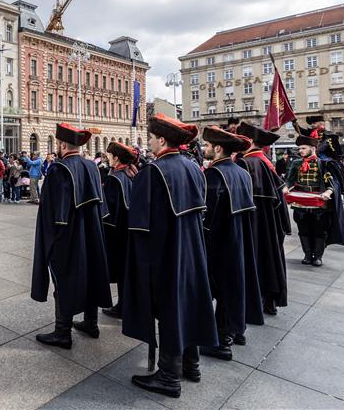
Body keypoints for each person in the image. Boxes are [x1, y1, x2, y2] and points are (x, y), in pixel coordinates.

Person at [122, 114, 217, 398]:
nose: (148, 142)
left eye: (150, 138)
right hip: (191, 250)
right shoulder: (194, 168)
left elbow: (139, 224)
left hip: (164, 253)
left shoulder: (154, 171)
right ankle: (191, 363)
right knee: (188, 303)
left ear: (162, 140)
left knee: (169, 309)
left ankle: (168, 375)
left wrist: (139, 266)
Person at [31, 123, 111, 350]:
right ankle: (91, 323)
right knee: (91, 275)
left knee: (64, 280)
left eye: (58, 143)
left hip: (68, 237)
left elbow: (53, 212)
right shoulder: (92, 167)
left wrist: (49, 244)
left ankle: (62, 332)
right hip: (92, 232)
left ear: (63, 144)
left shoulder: (59, 169)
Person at [200, 126, 263, 361]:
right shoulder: (241, 172)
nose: (205, 149)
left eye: (207, 146)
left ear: (218, 148)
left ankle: (220, 340)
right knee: (233, 286)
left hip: (219, 242)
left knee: (219, 288)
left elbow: (208, 216)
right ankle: (234, 331)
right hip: (240, 239)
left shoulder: (214, 175)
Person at [235, 122, 290, 316]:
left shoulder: (245, 163)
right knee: (270, 257)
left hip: (254, 221)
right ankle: (270, 300)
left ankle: (256, 303)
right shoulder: (265, 160)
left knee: (256, 259)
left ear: (249, 141)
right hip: (270, 221)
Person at [283, 134, 344, 267]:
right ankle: (307, 254)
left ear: (313, 148)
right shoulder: (296, 163)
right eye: (299, 148)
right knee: (303, 229)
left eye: (303, 148)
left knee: (320, 230)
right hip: (300, 201)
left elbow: (333, 182)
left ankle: (317, 256)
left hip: (319, 203)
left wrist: (328, 192)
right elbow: (289, 179)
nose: (300, 151)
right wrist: (286, 187)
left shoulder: (324, 163)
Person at [101, 141, 138, 320]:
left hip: (118, 234)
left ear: (116, 158)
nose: (107, 157)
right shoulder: (131, 175)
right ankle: (126, 304)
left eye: (109, 155)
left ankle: (122, 306)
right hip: (131, 231)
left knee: (121, 271)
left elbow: (109, 212)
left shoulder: (114, 179)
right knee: (127, 271)